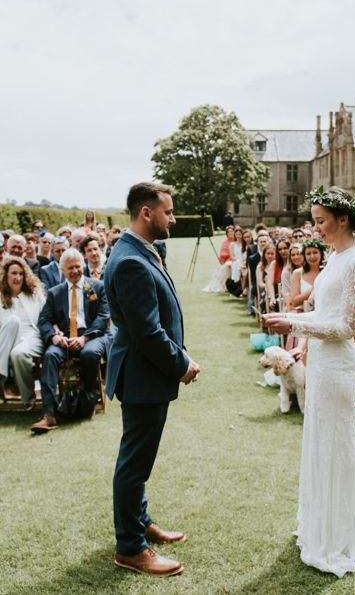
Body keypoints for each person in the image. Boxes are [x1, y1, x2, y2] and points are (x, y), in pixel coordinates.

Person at [264, 186, 355, 578]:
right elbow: (323, 312)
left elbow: (347, 325)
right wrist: (291, 317)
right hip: (319, 363)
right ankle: (319, 526)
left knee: (339, 445)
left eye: (321, 221)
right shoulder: (334, 258)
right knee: (319, 442)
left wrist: (294, 323)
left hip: (338, 367)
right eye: (314, 221)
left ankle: (341, 537)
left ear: (343, 219)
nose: (316, 229)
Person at [105, 182, 201, 577]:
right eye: (168, 212)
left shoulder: (141, 251)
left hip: (146, 374)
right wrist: (181, 363)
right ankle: (130, 548)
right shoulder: (129, 261)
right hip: (144, 375)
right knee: (134, 463)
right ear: (146, 213)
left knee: (139, 459)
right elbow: (147, 333)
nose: (173, 219)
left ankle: (140, 522)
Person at [31, 248, 111, 433]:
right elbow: (44, 320)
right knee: (50, 356)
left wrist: (84, 338)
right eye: (70, 268)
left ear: (82, 265)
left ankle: (88, 398)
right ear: (63, 271)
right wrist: (54, 336)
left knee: (90, 353)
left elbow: (103, 316)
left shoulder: (96, 287)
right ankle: (49, 413)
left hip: (92, 336)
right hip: (65, 339)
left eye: (77, 266)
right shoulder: (54, 292)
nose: (74, 271)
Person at [0, 256, 46, 408]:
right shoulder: (0, 297)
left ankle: (28, 397)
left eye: (21, 273)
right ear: (6, 275)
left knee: (18, 353)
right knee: (12, 322)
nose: (17, 277)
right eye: (14, 273)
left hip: (32, 336)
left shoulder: (34, 293)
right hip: (6, 338)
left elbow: (46, 316)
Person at [289, 239, 325, 311]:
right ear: (304, 256)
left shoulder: (327, 271)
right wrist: (314, 288)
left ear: (321, 254)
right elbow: (294, 302)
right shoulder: (298, 273)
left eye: (315, 252)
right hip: (304, 313)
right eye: (308, 254)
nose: (312, 256)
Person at [202, 226, 235, 293]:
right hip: (228, 260)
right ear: (227, 234)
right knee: (226, 266)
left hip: (236, 260)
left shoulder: (237, 241)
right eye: (229, 232)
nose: (231, 233)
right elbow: (223, 254)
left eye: (232, 231)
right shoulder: (225, 243)